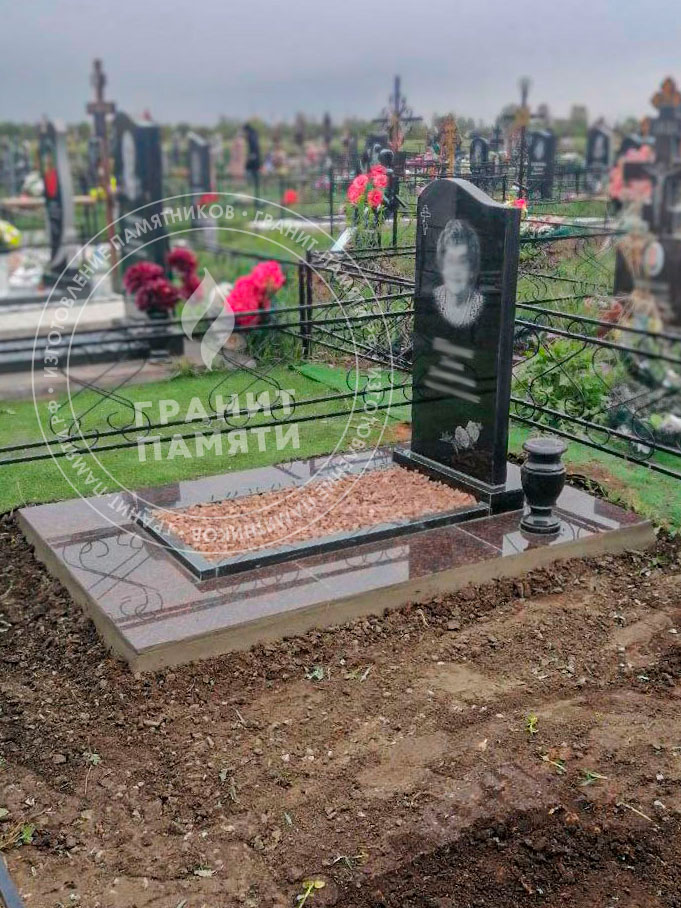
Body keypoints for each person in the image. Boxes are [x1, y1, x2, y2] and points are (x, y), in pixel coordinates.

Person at [433, 218, 483, 327]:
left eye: (462, 261)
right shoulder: (432, 299)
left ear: (472, 268)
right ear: (442, 265)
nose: (455, 270)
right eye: (450, 261)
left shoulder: (482, 305)